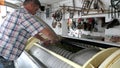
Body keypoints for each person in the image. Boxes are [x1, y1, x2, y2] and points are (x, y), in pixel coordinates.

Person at [0, 0, 58, 68]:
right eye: (35, 9)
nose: (35, 13)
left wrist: (42, 39)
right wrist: (55, 40)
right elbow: (48, 33)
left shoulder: (16, 12)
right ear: (31, 5)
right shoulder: (25, 15)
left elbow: (32, 31)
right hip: (5, 56)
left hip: (4, 52)